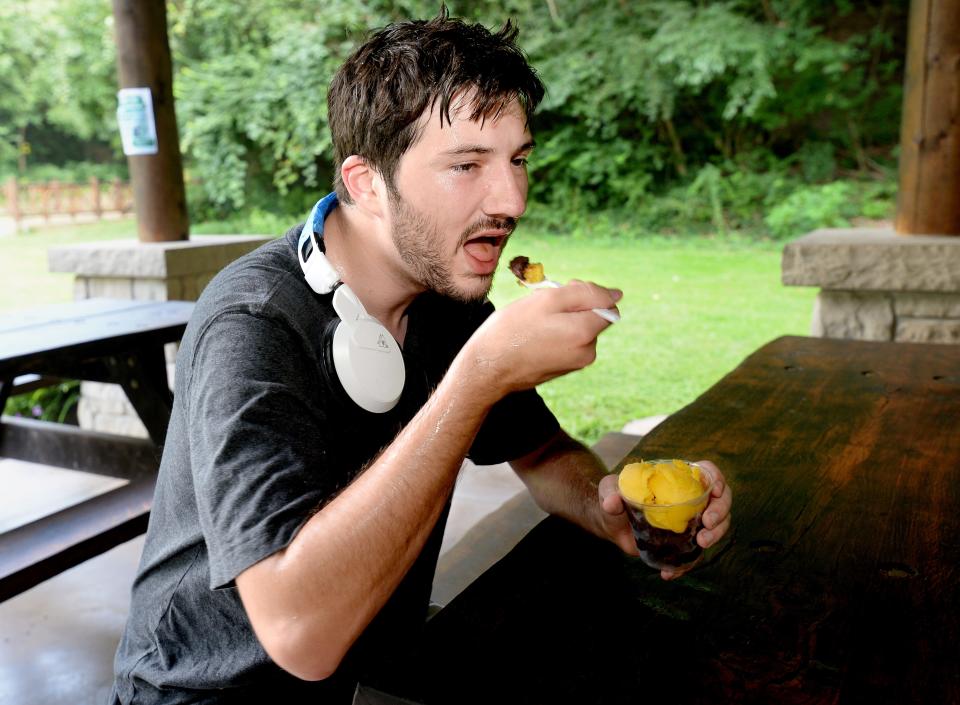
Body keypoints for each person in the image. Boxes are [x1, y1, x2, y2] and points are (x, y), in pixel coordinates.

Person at [110, 9, 732, 704]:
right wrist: (476, 377)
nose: (512, 198)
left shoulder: (449, 303)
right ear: (367, 182)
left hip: (369, 673)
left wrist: (606, 507)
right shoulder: (254, 323)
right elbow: (299, 634)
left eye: (518, 159)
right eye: (467, 164)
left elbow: (543, 452)